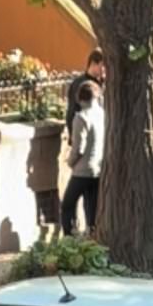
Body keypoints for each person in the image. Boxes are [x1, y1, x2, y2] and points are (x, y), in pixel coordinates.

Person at [61, 81, 105, 236]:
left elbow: (79, 148)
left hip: (82, 170)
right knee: (91, 207)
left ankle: (69, 235)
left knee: (68, 204)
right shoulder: (102, 114)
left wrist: (70, 162)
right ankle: (92, 234)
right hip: (98, 168)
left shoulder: (81, 118)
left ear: (80, 98)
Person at [65, 49, 105, 142]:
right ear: (94, 63)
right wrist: (73, 135)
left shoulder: (102, 83)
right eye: (102, 66)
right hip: (83, 133)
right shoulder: (79, 84)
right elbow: (72, 110)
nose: (104, 70)